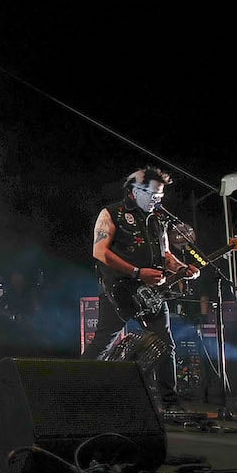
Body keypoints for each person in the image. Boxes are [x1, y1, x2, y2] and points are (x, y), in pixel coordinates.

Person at [84, 165, 200, 412]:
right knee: (104, 343)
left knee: (165, 344)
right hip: (119, 291)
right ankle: (77, 390)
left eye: (161, 195)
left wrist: (182, 268)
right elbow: (99, 251)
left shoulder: (157, 219)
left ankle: (170, 404)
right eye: (153, 194)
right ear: (135, 191)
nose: (158, 199)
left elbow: (166, 253)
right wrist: (137, 272)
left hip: (152, 295)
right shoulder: (111, 213)